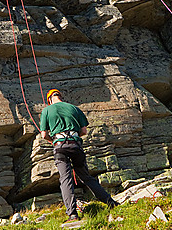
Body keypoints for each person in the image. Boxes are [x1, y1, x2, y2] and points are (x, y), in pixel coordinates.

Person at [39, 89, 118, 220]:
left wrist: (53, 141)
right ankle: (111, 203)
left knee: (65, 179)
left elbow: (44, 134)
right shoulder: (74, 109)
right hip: (75, 145)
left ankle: (72, 214)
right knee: (86, 177)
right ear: (60, 97)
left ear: (49, 100)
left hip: (60, 147)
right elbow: (84, 131)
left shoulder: (47, 110)